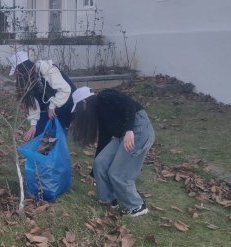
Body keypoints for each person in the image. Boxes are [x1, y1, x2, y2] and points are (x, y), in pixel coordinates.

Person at [70, 87, 155, 217]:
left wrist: (129, 130)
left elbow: (130, 105)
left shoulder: (106, 96)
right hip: (123, 135)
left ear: (84, 102)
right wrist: (93, 173)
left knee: (117, 172)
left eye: (79, 109)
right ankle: (107, 200)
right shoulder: (99, 113)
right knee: (100, 163)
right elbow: (104, 140)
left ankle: (136, 206)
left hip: (138, 130)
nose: (80, 113)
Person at [8, 51, 76, 140]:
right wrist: (33, 124)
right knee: (39, 134)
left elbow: (65, 89)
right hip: (47, 108)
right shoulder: (27, 80)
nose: (18, 75)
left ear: (23, 69)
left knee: (55, 137)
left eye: (18, 71)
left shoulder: (47, 69)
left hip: (65, 104)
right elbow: (32, 101)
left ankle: (54, 152)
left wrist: (52, 106)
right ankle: (43, 152)